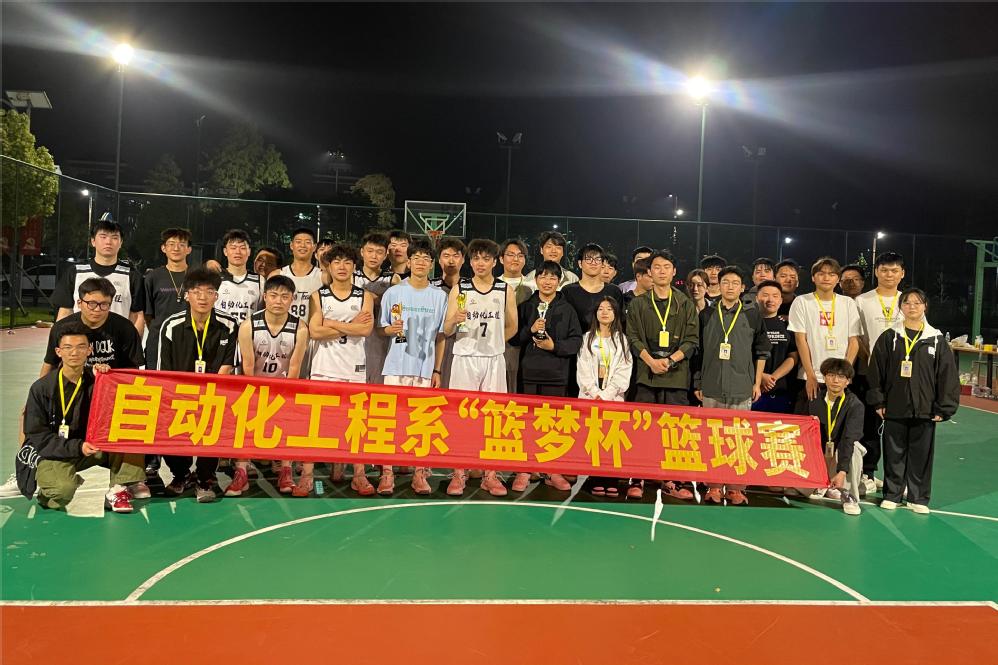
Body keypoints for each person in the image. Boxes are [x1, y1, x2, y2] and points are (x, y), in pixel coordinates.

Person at [20, 322, 147, 512]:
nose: (74, 352)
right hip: (53, 452)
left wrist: (108, 378)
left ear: (89, 350)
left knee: (129, 429)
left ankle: (118, 489)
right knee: (62, 491)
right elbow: (37, 436)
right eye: (68, 347)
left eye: (81, 347)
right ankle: (50, 488)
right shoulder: (42, 388)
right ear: (58, 352)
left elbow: (122, 408)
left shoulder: (97, 380)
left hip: (90, 447)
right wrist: (77, 446)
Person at [867, 288, 959, 514]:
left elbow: (947, 376)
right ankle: (892, 494)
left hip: (925, 409)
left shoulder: (936, 339)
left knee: (921, 455)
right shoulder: (890, 337)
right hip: (895, 406)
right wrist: (879, 401)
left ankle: (918, 498)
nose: (912, 307)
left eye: (917, 303)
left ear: (925, 306)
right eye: (907, 303)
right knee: (894, 452)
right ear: (901, 307)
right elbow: (876, 371)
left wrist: (944, 407)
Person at [155, 268, 239, 503]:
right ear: (187, 295)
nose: (203, 297)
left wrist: (210, 394)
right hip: (179, 394)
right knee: (170, 430)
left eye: (209, 292)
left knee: (213, 427)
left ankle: (205, 479)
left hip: (214, 393)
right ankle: (181, 475)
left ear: (216, 296)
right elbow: (164, 370)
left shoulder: (229, 324)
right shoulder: (170, 325)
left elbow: (228, 365)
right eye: (197, 291)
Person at [443, 239, 518, 497]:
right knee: (461, 417)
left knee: (494, 418)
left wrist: (496, 343)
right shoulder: (460, 288)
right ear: (470, 261)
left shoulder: (504, 289)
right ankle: (459, 473)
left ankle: (490, 474)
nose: (480, 263)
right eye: (476, 258)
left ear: (495, 262)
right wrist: (454, 319)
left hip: (493, 359)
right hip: (464, 357)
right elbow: (446, 329)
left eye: (486, 258)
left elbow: (513, 325)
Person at [225, 275, 309, 497]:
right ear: (265, 297)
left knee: (287, 422)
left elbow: (295, 366)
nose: (278, 301)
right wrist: (256, 396)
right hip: (253, 385)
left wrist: (284, 396)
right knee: (245, 423)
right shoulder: (248, 325)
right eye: (273, 295)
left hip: (283, 388)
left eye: (284, 296)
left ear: (292, 299)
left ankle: (286, 470)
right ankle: (241, 471)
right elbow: (248, 365)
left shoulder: (300, 328)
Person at [626, 250, 699, 501]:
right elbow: (632, 337)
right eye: (656, 267)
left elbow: (692, 340)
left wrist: (669, 360)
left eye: (666, 266)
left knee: (674, 432)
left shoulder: (685, 303)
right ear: (649, 272)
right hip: (646, 375)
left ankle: (672, 480)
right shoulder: (638, 303)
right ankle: (638, 477)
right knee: (643, 431)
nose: (661, 271)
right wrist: (650, 361)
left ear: (674, 271)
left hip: (676, 376)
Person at [694, 266, 771, 505]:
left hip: (741, 386)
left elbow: (761, 350)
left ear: (742, 287)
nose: (729, 287)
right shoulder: (707, 314)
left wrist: (756, 382)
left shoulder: (752, 314)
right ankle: (714, 486)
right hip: (712, 385)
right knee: (713, 438)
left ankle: (736, 488)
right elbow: (698, 352)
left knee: (739, 438)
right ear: (718, 285)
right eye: (725, 282)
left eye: (735, 283)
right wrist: (698, 382)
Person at [378, 240, 448, 495]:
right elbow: (382, 328)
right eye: (416, 257)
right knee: (390, 422)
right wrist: (391, 329)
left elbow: (441, 336)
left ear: (432, 264)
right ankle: (387, 473)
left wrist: (437, 370)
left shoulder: (440, 296)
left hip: (424, 369)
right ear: (408, 262)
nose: (420, 262)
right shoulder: (393, 293)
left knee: (422, 423)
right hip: (396, 366)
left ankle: (420, 473)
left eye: (425, 258)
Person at [308, 244, 376, 496]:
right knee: (318, 425)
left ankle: (358, 475)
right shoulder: (318, 295)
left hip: (354, 368)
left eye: (347, 262)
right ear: (328, 266)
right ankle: (307, 476)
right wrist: (349, 324)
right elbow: (315, 331)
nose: (342, 266)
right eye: (336, 262)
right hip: (323, 368)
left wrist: (330, 322)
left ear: (354, 266)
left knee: (355, 424)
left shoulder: (364, 296)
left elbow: (365, 329)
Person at [853, 251, 907, 493]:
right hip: (869, 373)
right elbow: (857, 336)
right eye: (884, 270)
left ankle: (897, 477)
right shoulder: (862, 301)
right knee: (870, 424)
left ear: (902, 274)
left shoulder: (909, 300)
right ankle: (867, 472)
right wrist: (872, 361)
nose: (889, 275)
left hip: (901, 374)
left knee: (899, 426)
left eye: (894, 270)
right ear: (876, 272)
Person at [577, 296, 633, 498]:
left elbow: (624, 370)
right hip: (591, 397)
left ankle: (611, 479)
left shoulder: (622, 340)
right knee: (594, 439)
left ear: (615, 313)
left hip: (613, 398)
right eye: (601, 308)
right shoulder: (587, 338)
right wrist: (595, 393)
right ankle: (595, 478)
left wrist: (607, 394)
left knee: (612, 439)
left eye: (609, 309)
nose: (605, 312)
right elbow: (582, 369)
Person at [52, 214, 145, 334]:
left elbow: (137, 316)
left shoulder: (132, 276)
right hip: (82, 341)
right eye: (103, 237)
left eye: (114, 237)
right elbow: (65, 312)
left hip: (118, 342)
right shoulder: (75, 272)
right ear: (93, 241)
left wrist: (134, 343)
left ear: (121, 242)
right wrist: (61, 340)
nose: (108, 242)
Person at [788, 257, 862, 408]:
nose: (826, 278)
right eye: (821, 273)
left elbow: (854, 341)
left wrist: (844, 374)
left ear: (838, 279)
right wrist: (810, 375)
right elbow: (800, 340)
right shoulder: (802, 301)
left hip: (840, 380)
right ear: (813, 277)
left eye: (831, 274)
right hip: (811, 376)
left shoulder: (848, 303)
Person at [41, 278, 144, 376]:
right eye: (91, 303)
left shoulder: (125, 328)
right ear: (79, 303)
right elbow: (50, 363)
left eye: (104, 304)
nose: (97, 309)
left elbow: (133, 368)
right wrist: (40, 387)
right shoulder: (62, 328)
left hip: (110, 383)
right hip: (74, 383)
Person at [802, 358, 865, 515]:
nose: (835, 380)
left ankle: (849, 496)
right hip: (818, 454)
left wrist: (842, 471)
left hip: (840, 454)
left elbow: (849, 439)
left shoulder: (855, 405)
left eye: (841, 377)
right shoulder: (813, 399)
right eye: (831, 375)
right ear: (824, 378)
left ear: (848, 382)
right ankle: (821, 486)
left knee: (855, 449)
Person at [143, 228, 194, 367]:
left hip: (190, 340)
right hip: (158, 340)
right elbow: (148, 314)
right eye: (171, 244)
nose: (176, 248)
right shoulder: (152, 277)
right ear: (163, 248)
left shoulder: (197, 276)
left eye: (182, 244)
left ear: (189, 249)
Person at [354, 231, 398, 385]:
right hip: (356, 340)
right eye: (370, 251)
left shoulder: (393, 279)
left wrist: (369, 296)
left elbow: (396, 309)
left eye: (379, 252)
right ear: (362, 252)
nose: (374, 256)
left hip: (382, 341)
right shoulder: (351, 277)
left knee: (378, 388)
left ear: (386, 255)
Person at [752, 280, 798, 414]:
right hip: (753, 391)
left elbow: (793, 356)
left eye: (775, 296)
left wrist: (773, 377)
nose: (770, 299)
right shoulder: (748, 324)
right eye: (765, 295)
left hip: (781, 391)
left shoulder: (788, 325)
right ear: (756, 298)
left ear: (781, 300)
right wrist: (761, 376)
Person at [561, 243, 624, 332]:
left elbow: (621, 321)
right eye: (588, 259)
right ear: (580, 263)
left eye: (597, 259)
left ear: (602, 263)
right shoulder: (568, 291)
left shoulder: (614, 291)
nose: (593, 263)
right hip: (577, 339)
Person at [430, 237, 466, 389]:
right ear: (439, 260)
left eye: (456, 256)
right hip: (436, 345)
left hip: (463, 345)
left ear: (463, 260)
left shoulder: (470, 287)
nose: (451, 261)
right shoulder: (430, 287)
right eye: (446, 256)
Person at [499, 238, 534, 393]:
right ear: (501, 259)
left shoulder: (533, 286)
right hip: (498, 347)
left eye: (520, 255)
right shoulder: (493, 285)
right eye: (510, 255)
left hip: (525, 350)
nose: (515, 259)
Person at [214, 229, 263, 324]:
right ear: (225, 251)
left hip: (249, 332)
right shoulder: (215, 278)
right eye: (233, 248)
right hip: (221, 332)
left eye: (243, 248)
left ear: (249, 251)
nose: (238, 252)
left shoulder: (259, 281)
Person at [278, 228, 324, 322]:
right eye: (298, 242)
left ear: (314, 247)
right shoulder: (278, 274)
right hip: (285, 329)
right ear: (291, 245)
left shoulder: (323, 276)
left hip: (312, 329)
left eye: (307, 242)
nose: (303, 245)